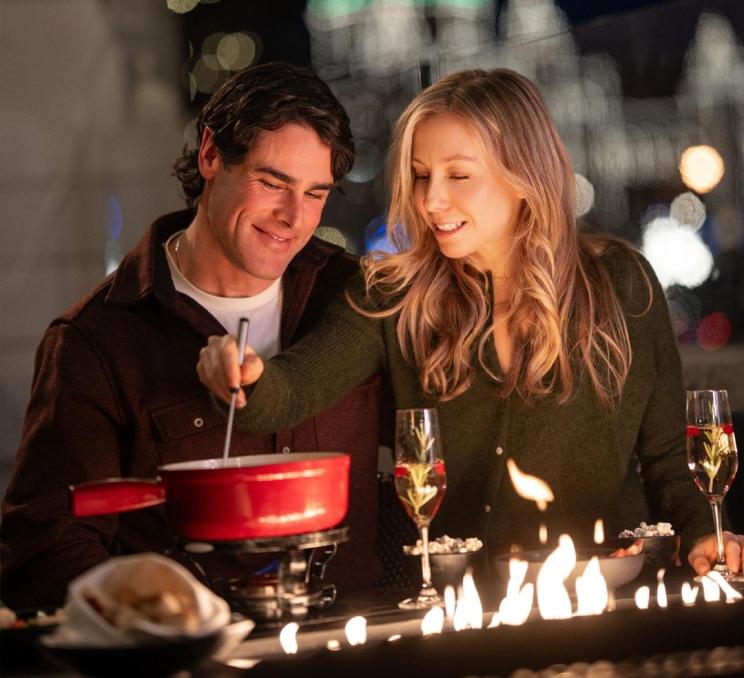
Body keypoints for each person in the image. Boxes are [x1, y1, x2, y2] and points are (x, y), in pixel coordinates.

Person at [197, 68, 744, 577]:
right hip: (460, 613)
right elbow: (291, 389)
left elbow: (673, 459)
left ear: (524, 175)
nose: (432, 200)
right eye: (419, 176)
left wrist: (704, 534)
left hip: (607, 593)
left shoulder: (621, 283)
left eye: (459, 175)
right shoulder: (391, 294)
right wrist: (242, 377)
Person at [1, 62, 386, 609]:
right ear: (210, 155)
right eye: (272, 183)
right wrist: (165, 616)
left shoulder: (354, 296)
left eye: (315, 193)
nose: (292, 217)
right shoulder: (96, 340)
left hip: (366, 650)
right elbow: (45, 549)